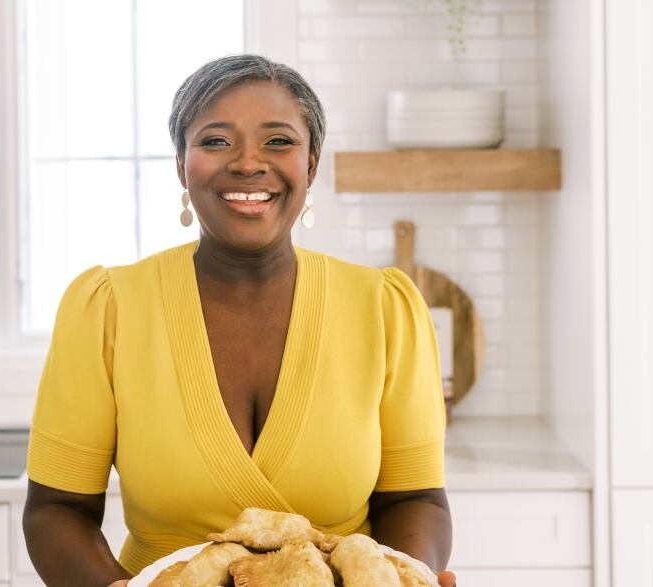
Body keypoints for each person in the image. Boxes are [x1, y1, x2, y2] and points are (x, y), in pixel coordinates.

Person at [23, 54, 455, 587]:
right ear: (181, 164)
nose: (249, 163)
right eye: (215, 141)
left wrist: (404, 576)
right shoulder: (109, 307)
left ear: (311, 164)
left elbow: (416, 497)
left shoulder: (385, 308)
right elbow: (56, 509)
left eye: (278, 141)